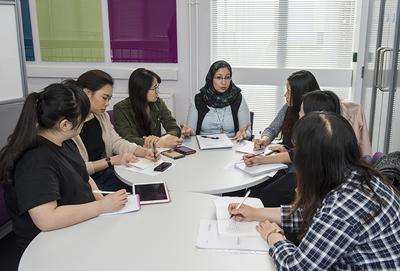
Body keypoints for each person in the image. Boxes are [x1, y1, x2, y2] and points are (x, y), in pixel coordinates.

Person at [229, 112, 400, 270]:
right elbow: (314, 214)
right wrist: (255, 213)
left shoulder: (344, 206)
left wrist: (274, 236)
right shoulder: (358, 176)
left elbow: (296, 267)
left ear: (310, 161)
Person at [0, 83, 129, 252]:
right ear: (65, 125)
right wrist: (101, 207)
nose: (85, 122)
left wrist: (101, 200)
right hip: (50, 245)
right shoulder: (35, 160)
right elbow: (47, 219)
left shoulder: (65, 141)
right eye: (83, 119)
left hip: (80, 225)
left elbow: (85, 176)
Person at [67, 70, 159, 192]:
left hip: (107, 173)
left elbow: (116, 143)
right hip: (86, 183)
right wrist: (111, 161)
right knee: (143, 193)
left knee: (151, 187)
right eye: (104, 98)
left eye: (109, 99)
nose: (107, 104)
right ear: (87, 93)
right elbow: (76, 169)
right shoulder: (69, 125)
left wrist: (143, 152)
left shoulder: (101, 116)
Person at [246, 90, 342, 207]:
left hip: (301, 181)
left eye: (301, 112)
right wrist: (259, 160)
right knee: (257, 190)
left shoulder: (322, 144)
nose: (299, 115)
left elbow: (296, 156)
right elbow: (294, 154)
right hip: (299, 177)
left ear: (312, 116)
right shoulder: (321, 136)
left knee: (264, 197)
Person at [180, 60, 251, 141]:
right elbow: (191, 133)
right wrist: (187, 132)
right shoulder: (198, 99)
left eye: (227, 77)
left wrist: (244, 134)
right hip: (204, 147)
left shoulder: (238, 98)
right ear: (211, 78)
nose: (224, 82)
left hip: (232, 145)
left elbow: (247, 132)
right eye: (219, 77)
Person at [113, 68, 182, 148]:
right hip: (134, 155)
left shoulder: (158, 103)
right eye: (154, 88)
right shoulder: (121, 109)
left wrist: (163, 139)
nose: (157, 92)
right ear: (141, 91)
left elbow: (173, 127)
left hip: (156, 152)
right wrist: (155, 143)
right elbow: (126, 139)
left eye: (157, 87)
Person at [254, 70, 319, 149]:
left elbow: (308, 153)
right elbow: (272, 129)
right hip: (284, 156)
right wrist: (264, 140)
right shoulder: (288, 107)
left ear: (299, 94)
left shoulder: (317, 117)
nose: (285, 95)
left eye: (289, 91)